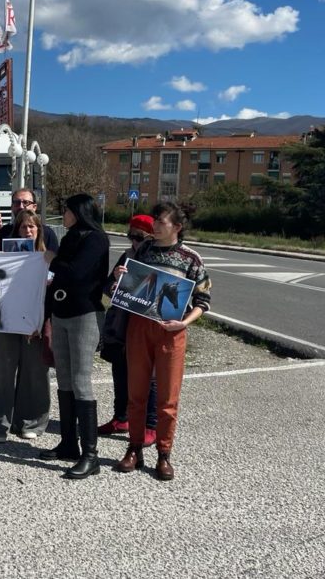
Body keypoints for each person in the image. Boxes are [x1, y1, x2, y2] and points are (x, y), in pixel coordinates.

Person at [113, 201, 211, 481]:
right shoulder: (142, 249)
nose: (154, 226)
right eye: (154, 220)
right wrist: (120, 277)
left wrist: (184, 322)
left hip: (171, 330)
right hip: (139, 326)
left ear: (177, 227)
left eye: (161, 222)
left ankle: (164, 453)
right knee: (136, 392)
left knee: (168, 397)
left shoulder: (191, 258)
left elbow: (203, 300)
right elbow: (123, 286)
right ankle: (134, 448)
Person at [40, 193, 110, 480]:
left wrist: (53, 260)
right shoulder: (70, 237)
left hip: (84, 315)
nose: (63, 214)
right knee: (65, 379)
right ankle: (69, 443)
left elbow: (77, 273)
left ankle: (90, 455)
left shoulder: (96, 239)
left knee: (81, 381)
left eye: (66, 210)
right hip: (61, 313)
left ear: (79, 212)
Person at [0, 208, 51, 442]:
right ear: (17, 231)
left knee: (35, 374)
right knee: (0, 372)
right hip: (6, 321)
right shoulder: (4, 255)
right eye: (23, 226)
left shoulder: (48, 257)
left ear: (38, 230)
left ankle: (30, 422)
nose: (27, 230)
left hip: (35, 324)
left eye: (32, 226)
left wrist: (40, 321)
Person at [99, 214, 159, 447]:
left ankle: (151, 425)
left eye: (139, 237)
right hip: (121, 323)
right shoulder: (127, 255)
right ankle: (121, 418)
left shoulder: (157, 257)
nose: (134, 241)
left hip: (146, 324)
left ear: (151, 237)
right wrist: (115, 281)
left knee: (150, 376)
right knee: (120, 369)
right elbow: (107, 287)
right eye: (130, 236)